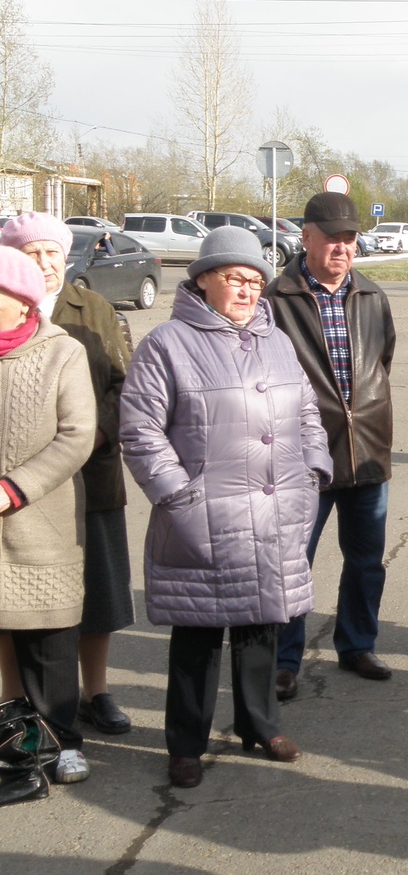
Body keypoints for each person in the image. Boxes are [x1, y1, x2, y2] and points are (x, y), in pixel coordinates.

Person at [119, 228, 330, 789]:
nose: (247, 290)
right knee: (199, 633)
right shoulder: (168, 344)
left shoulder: (276, 340)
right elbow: (140, 430)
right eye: (235, 278)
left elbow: (308, 412)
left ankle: (261, 725)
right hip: (203, 516)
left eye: (255, 281)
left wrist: (313, 470)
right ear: (204, 279)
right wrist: (178, 494)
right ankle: (186, 744)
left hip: (276, 510)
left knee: (262, 622)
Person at [0, 213, 134, 736]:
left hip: (90, 478)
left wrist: (96, 436)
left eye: (52, 252)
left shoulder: (93, 308)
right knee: (16, 603)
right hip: (21, 494)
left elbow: (126, 383)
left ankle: (95, 691)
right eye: (32, 253)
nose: (45, 262)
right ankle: (17, 706)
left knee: (97, 595)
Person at [266, 192, 397, 697]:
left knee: (366, 561)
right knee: (293, 561)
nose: (342, 248)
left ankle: (358, 645)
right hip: (303, 457)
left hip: (367, 451)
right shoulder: (276, 300)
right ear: (306, 237)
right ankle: (284, 660)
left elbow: (382, 363)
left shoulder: (372, 296)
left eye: (350, 238)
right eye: (332, 238)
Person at [0, 245, 95, 786]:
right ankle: (13, 743)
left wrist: (14, 488)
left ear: (21, 300)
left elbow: (78, 435)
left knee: (50, 642)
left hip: (41, 522)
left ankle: (64, 742)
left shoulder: (62, 352)